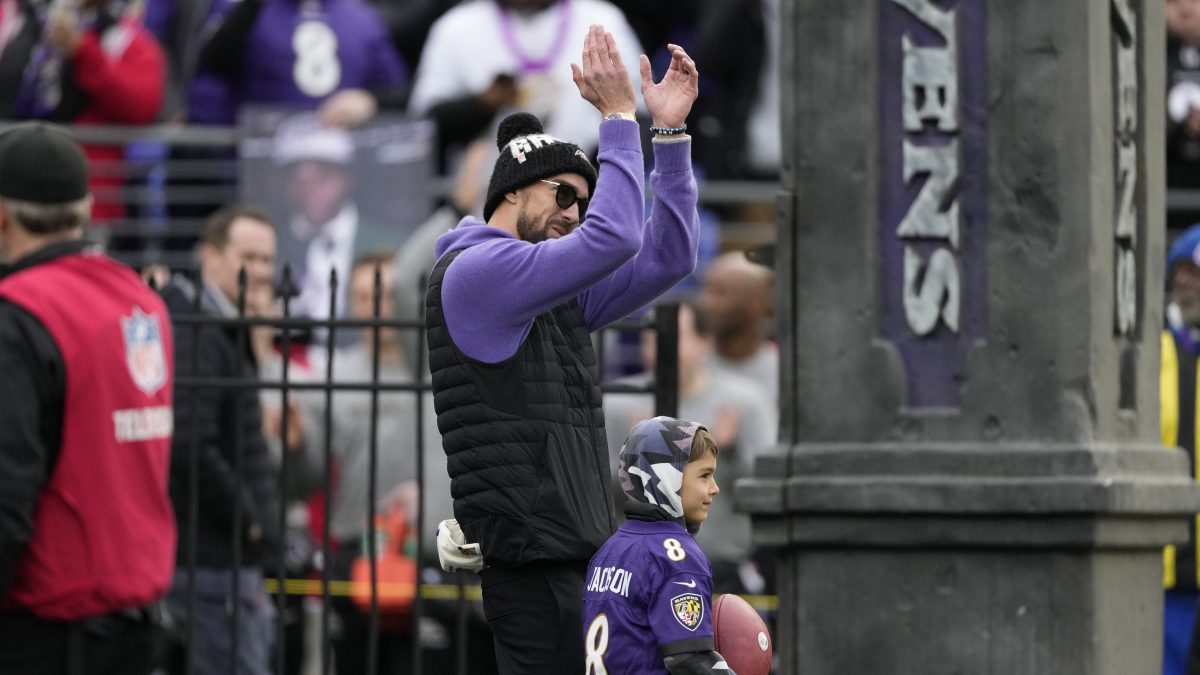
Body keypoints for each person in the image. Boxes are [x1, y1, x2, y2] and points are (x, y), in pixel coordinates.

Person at [426, 25, 700, 674]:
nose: (575, 213)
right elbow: (616, 237)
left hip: (575, 562)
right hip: (533, 569)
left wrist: (668, 135)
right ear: (510, 191)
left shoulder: (548, 292)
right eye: (564, 194)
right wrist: (617, 117)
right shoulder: (476, 272)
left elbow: (669, 254)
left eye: (584, 200)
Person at [0, 123, 176, 674]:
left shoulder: (18, 312)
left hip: (47, 627)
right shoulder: (139, 300)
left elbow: (6, 487)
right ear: (87, 208)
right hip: (134, 616)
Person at [160, 205, 281, 675]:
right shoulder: (200, 330)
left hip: (214, 561)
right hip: (211, 562)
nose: (262, 271)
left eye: (267, 259)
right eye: (248, 257)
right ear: (209, 257)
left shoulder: (216, 324)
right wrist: (247, 519)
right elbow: (189, 442)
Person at [604, 299, 777, 594]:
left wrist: (728, 453)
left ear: (705, 342)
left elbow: (766, 489)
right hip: (638, 567)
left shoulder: (745, 402)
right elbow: (597, 493)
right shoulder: (618, 403)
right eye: (650, 339)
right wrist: (636, 461)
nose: (659, 349)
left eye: (676, 337)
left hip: (722, 566)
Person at [582, 416, 732, 674]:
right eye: (704, 475)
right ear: (668, 476)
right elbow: (689, 658)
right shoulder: (675, 556)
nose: (715, 488)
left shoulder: (608, 550)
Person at [699, 250, 778, 401]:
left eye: (720, 292)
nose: (706, 302)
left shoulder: (783, 372)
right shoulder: (690, 367)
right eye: (706, 290)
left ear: (757, 303)